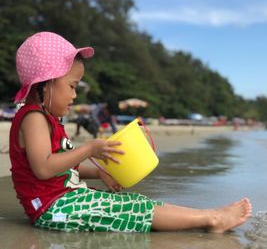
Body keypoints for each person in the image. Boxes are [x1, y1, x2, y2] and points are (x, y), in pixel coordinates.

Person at [9, 31, 252, 233]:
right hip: (53, 208)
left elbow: (59, 167)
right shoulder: (34, 118)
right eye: (72, 87)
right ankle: (212, 219)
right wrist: (89, 149)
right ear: (46, 82)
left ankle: (209, 215)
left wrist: (98, 172)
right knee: (135, 210)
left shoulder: (47, 119)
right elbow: (43, 168)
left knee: (134, 202)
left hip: (64, 201)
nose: (74, 95)